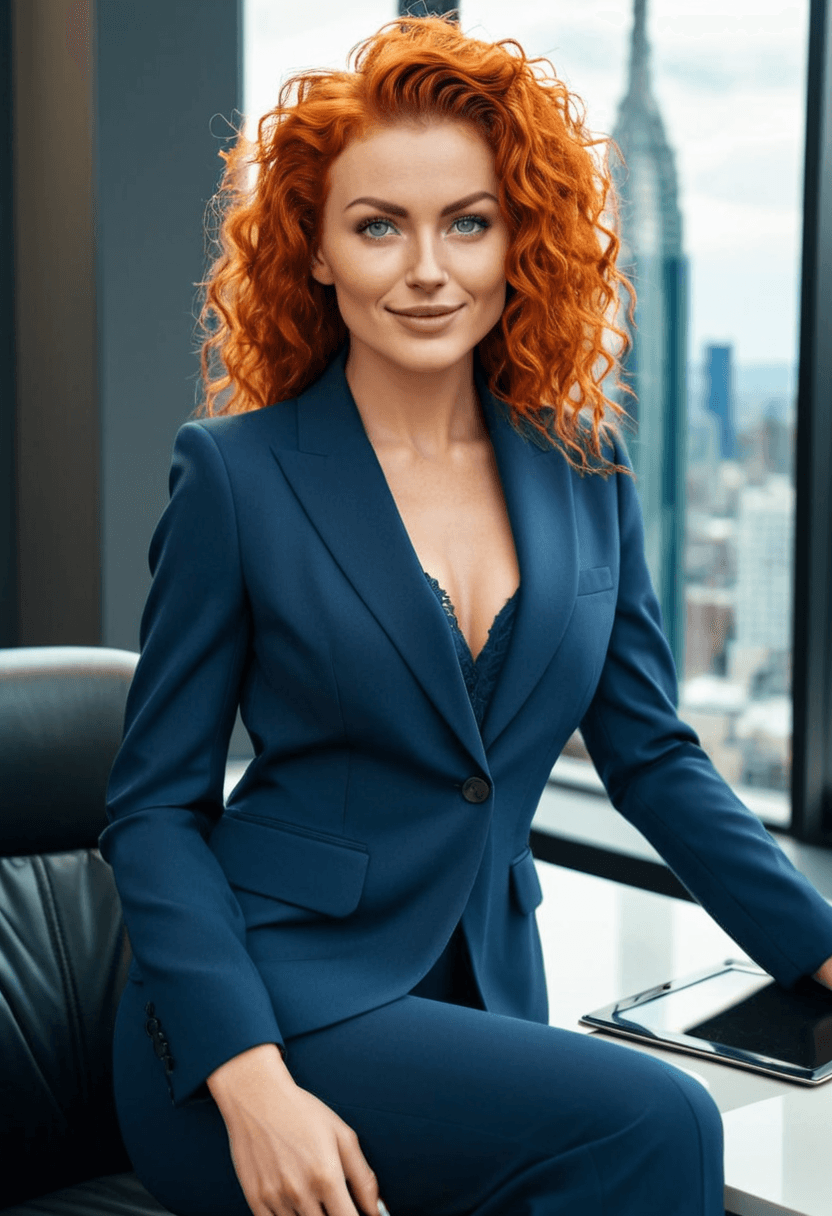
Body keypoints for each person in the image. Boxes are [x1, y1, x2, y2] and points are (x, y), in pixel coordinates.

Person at [101, 14, 832, 1216]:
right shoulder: (237, 475)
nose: (428, 268)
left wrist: (814, 943)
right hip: (263, 1007)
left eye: (468, 223)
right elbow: (153, 809)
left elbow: (651, 756)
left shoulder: (585, 465)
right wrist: (250, 1081)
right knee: (655, 1121)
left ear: (516, 240)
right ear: (320, 250)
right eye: (379, 225)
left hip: (481, 991)